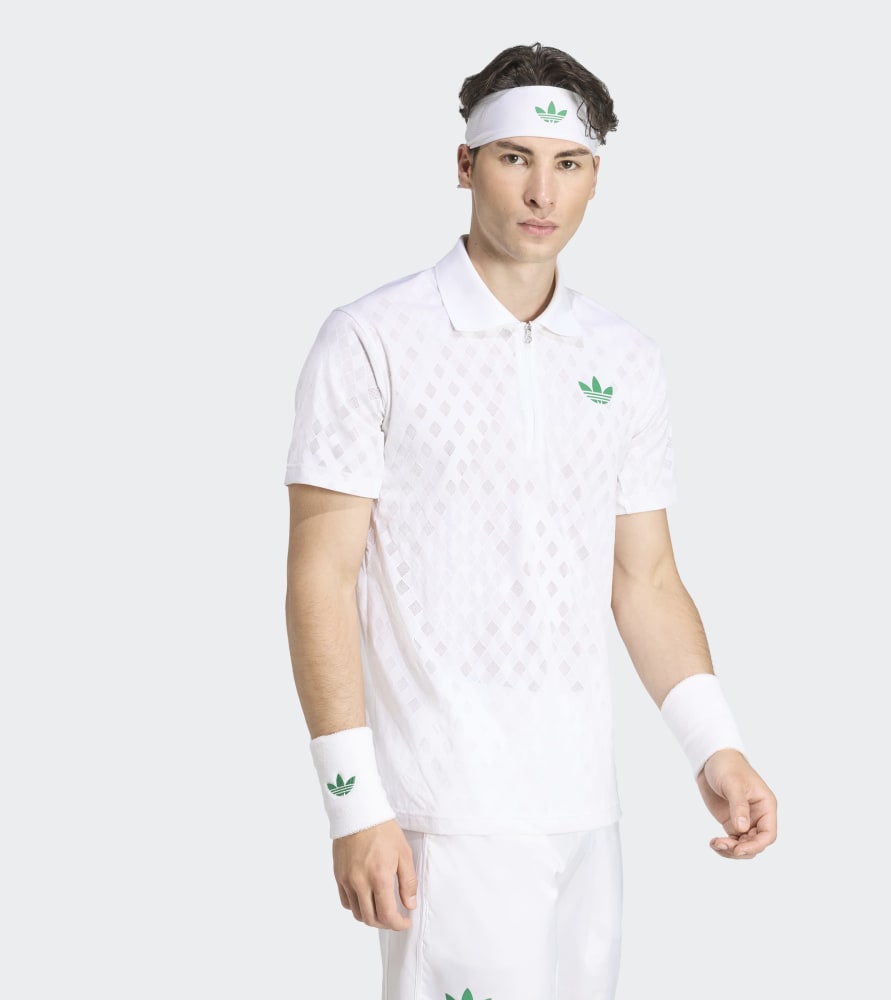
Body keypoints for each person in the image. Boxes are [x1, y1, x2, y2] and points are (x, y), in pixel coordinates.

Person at [284, 40, 777, 1000]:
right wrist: (351, 800)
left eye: (569, 163)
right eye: (515, 158)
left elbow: (645, 578)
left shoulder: (624, 357)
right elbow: (319, 577)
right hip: (444, 810)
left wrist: (714, 744)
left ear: (596, 178)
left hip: (585, 808)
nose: (542, 192)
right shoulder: (373, 339)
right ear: (465, 164)